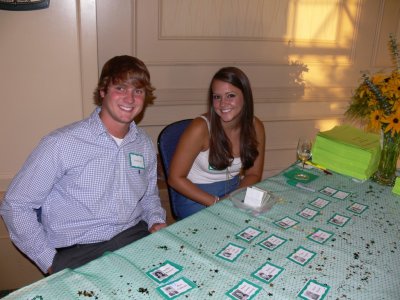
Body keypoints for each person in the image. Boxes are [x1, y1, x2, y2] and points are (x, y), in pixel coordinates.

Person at [0, 55, 167, 274]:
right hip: (78, 250)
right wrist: (49, 261)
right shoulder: (61, 143)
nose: (130, 98)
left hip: (132, 235)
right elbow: (16, 205)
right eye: (120, 88)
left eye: (138, 91)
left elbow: (149, 196)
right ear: (102, 92)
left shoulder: (143, 144)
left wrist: (155, 220)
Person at [168, 66, 265, 219]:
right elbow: (175, 178)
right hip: (197, 198)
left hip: (234, 191)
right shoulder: (200, 128)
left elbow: (253, 174)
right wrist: (217, 202)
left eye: (230, 95)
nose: (223, 103)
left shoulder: (255, 127)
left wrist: (233, 197)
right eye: (217, 97)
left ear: (245, 96)